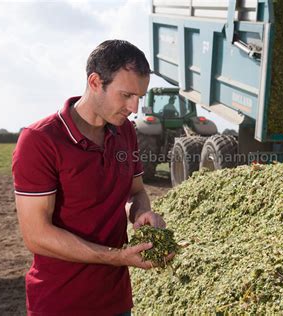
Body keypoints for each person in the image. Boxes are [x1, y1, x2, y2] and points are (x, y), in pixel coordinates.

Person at [12, 40, 172, 316]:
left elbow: (135, 192)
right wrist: (116, 257)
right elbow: (36, 235)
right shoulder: (40, 140)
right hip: (61, 303)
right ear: (96, 82)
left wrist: (142, 213)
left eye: (139, 97)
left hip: (117, 302)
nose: (134, 107)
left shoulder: (126, 134)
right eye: (126, 95)